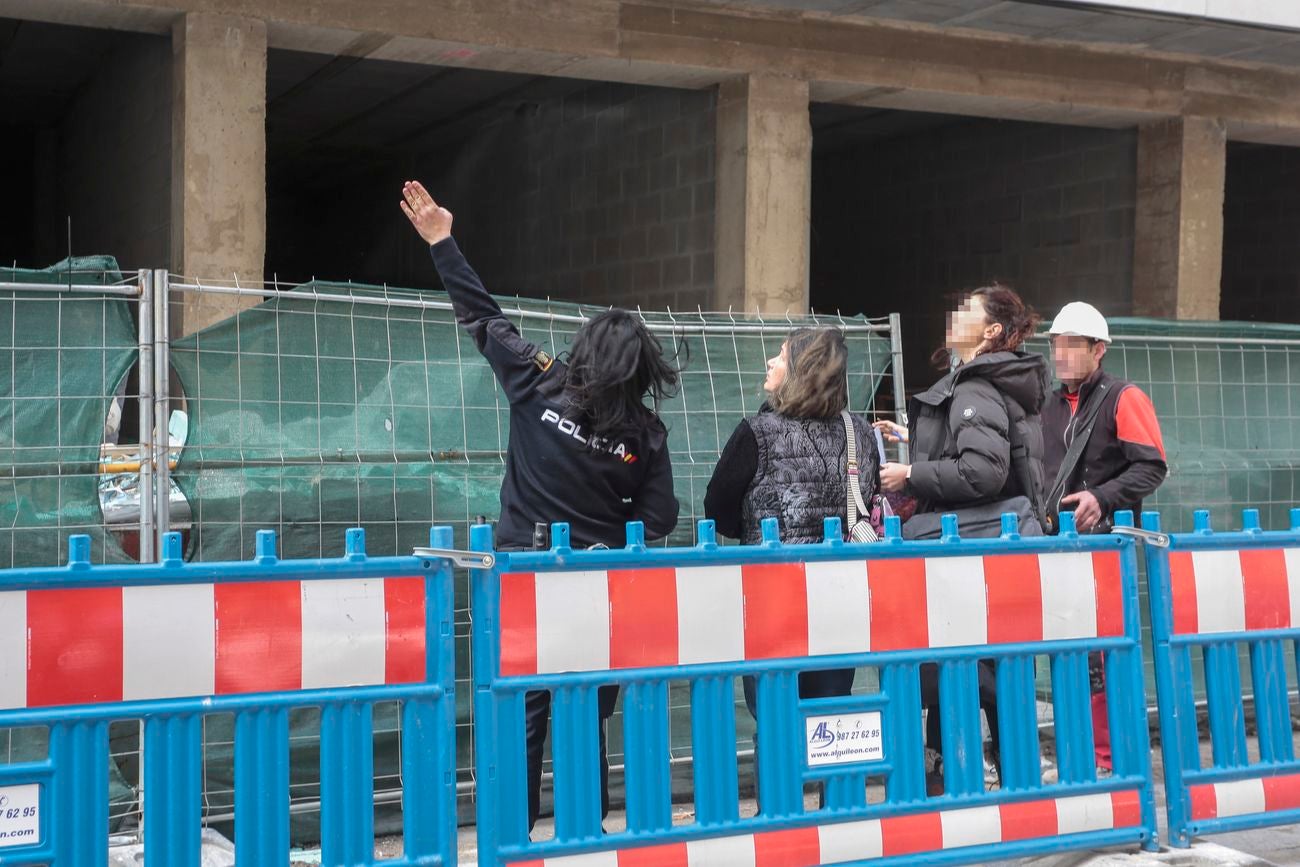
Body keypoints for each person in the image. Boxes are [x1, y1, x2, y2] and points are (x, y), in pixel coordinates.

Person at [400, 180, 680, 834]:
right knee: (586, 705)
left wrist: (443, 240)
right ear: (640, 370)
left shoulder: (539, 380)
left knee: (524, 707)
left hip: (522, 572)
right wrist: (613, 519)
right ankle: (584, 831)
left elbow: (482, 316)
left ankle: (515, 835)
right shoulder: (646, 434)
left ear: (585, 350)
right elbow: (661, 516)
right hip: (597, 579)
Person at [876, 285, 1049, 794]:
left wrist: (909, 473)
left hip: (967, 555)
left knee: (957, 667)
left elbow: (981, 472)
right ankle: (1015, 790)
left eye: (969, 311)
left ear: (991, 331)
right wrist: (915, 443)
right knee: (994, 671)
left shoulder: (975, 387)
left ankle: (950, 788)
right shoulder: (990, 384)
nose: (955, 315)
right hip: (991, 552)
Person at [703, 327, 880, 802]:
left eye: (778, 357)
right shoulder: (860, 432)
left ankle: (780, 822)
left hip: (773, 603)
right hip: (840, 601)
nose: (768, 363)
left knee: (776, 712)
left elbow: (716, 508)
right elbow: (871, 499)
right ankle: (837, 817)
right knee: (832, 711)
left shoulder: (756, 432)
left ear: (798, 372)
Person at [1042, 301, 1167, 773]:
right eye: (1057, 343)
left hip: (1103, 547)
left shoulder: (1124, 397)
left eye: (1072, 344)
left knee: (1100, 656)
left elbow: (1153, 466)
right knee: (1065, 649)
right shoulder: (1047, 405)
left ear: (1099, 350)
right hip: (1056, 546)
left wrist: (1103, 496)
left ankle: (1106, 759)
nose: (1061, 353)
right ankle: (1077, 755)